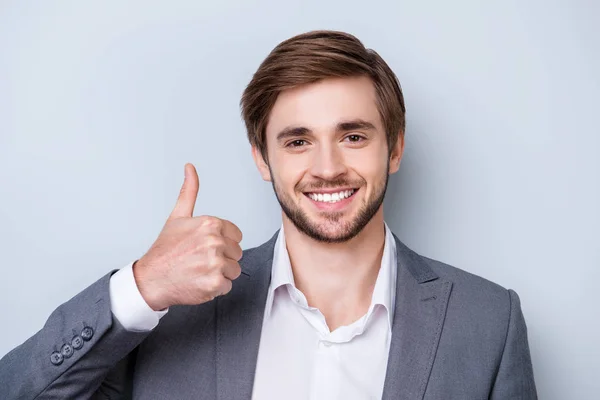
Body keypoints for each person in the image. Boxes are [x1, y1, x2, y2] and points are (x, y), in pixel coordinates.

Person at [0, 30, 537, 399]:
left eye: (353, 136)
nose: (328, 168)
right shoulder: (171, 313)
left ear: (394, 148)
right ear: (262, 158)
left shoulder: (487, 322)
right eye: (298, 141)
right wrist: (142, 288)